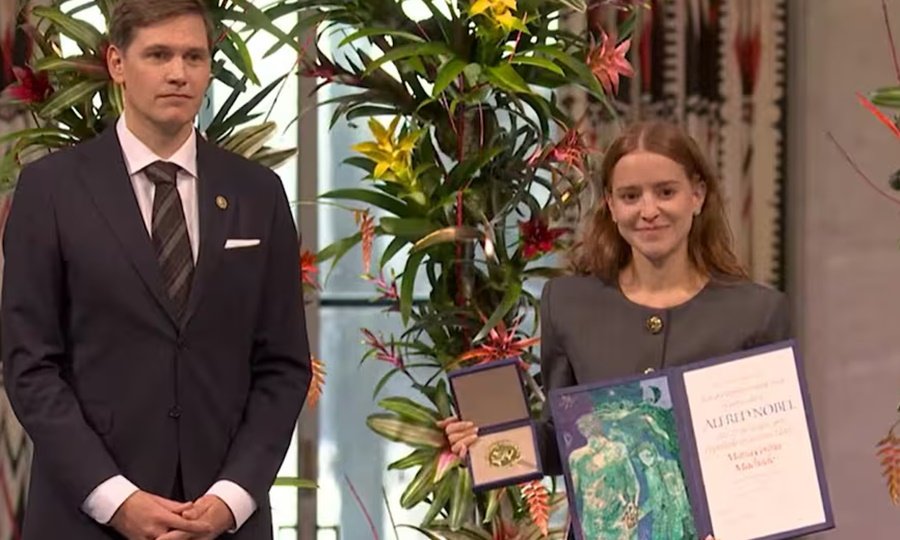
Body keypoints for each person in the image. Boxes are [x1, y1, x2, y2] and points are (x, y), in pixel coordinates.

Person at [0, 1, 311, 538]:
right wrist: (116, 499)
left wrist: (232, 498)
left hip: (223, 520)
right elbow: (30, 365)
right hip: (85, 519)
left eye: (194, 56)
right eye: (159, 55)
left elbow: (283, 365)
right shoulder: (50, 190)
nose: (178, 73)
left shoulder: (258, 193)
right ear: (117, 63)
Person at [438, 120, 790, 539]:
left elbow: (774, 458)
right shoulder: (567, 303)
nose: (648, 210)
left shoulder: (757, 312)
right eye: (630, 196)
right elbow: (561, 441)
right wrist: (484, 442)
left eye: (666, 192)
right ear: (610, 203)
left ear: (697, 195)